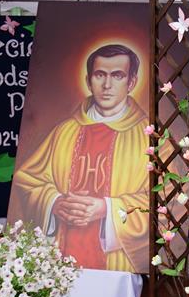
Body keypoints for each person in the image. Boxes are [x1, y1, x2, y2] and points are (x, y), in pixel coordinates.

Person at [12, 43, 149, 273]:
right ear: (88, 81)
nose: (107, 85)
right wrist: (54, 202)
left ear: (132, 82)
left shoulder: (149, 136)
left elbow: (168, 201)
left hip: (117, 265)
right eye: (100, 75)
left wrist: (107, 208)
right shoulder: (65, 131)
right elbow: (27, 180)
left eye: (117, 75)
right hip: (58, 259)